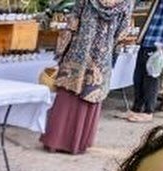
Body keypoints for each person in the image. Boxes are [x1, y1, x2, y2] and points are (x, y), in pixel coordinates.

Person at [40, 0, 132, 154]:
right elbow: (122, 32)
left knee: (68, 96)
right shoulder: (126, 2)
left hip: (78, 53)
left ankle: (56, 141)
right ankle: (78, 144)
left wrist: (61, 52)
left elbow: (73, 23)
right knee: (90, 95)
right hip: (101, 58)